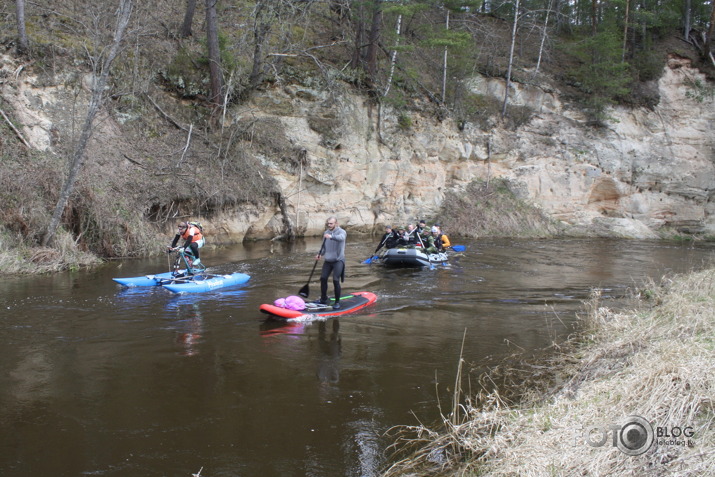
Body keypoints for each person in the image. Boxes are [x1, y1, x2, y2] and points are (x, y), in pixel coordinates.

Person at [315, 216, 347, 309]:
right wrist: (320, 254)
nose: (329, 225)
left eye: (331, 223)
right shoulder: (326, 233)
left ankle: (337, 302)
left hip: (338, 260)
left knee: (335, 280)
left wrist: (331, 236)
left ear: (336, 223)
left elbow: (341, 238)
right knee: (323, 278)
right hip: (328, 261)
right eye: (328, 223)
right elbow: (324, 247)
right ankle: (323, 299)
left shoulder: (342, 232)